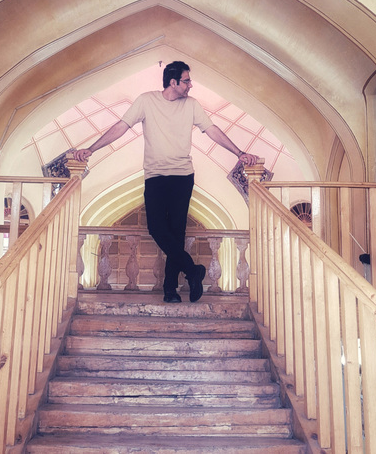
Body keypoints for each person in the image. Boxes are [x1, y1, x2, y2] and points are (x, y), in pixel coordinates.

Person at [75, 61, 259, 303]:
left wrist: (239, 153)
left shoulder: (192, 105)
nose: (190, 85)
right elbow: (121, 126)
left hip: (183, 176)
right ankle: (193, 270)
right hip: (155, 176)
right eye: (187, 81)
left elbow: (212, 130)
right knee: (156, 228)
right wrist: (91, 149)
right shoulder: (146, 101)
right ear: (173, 82)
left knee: (176, 232)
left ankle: (170, 290)